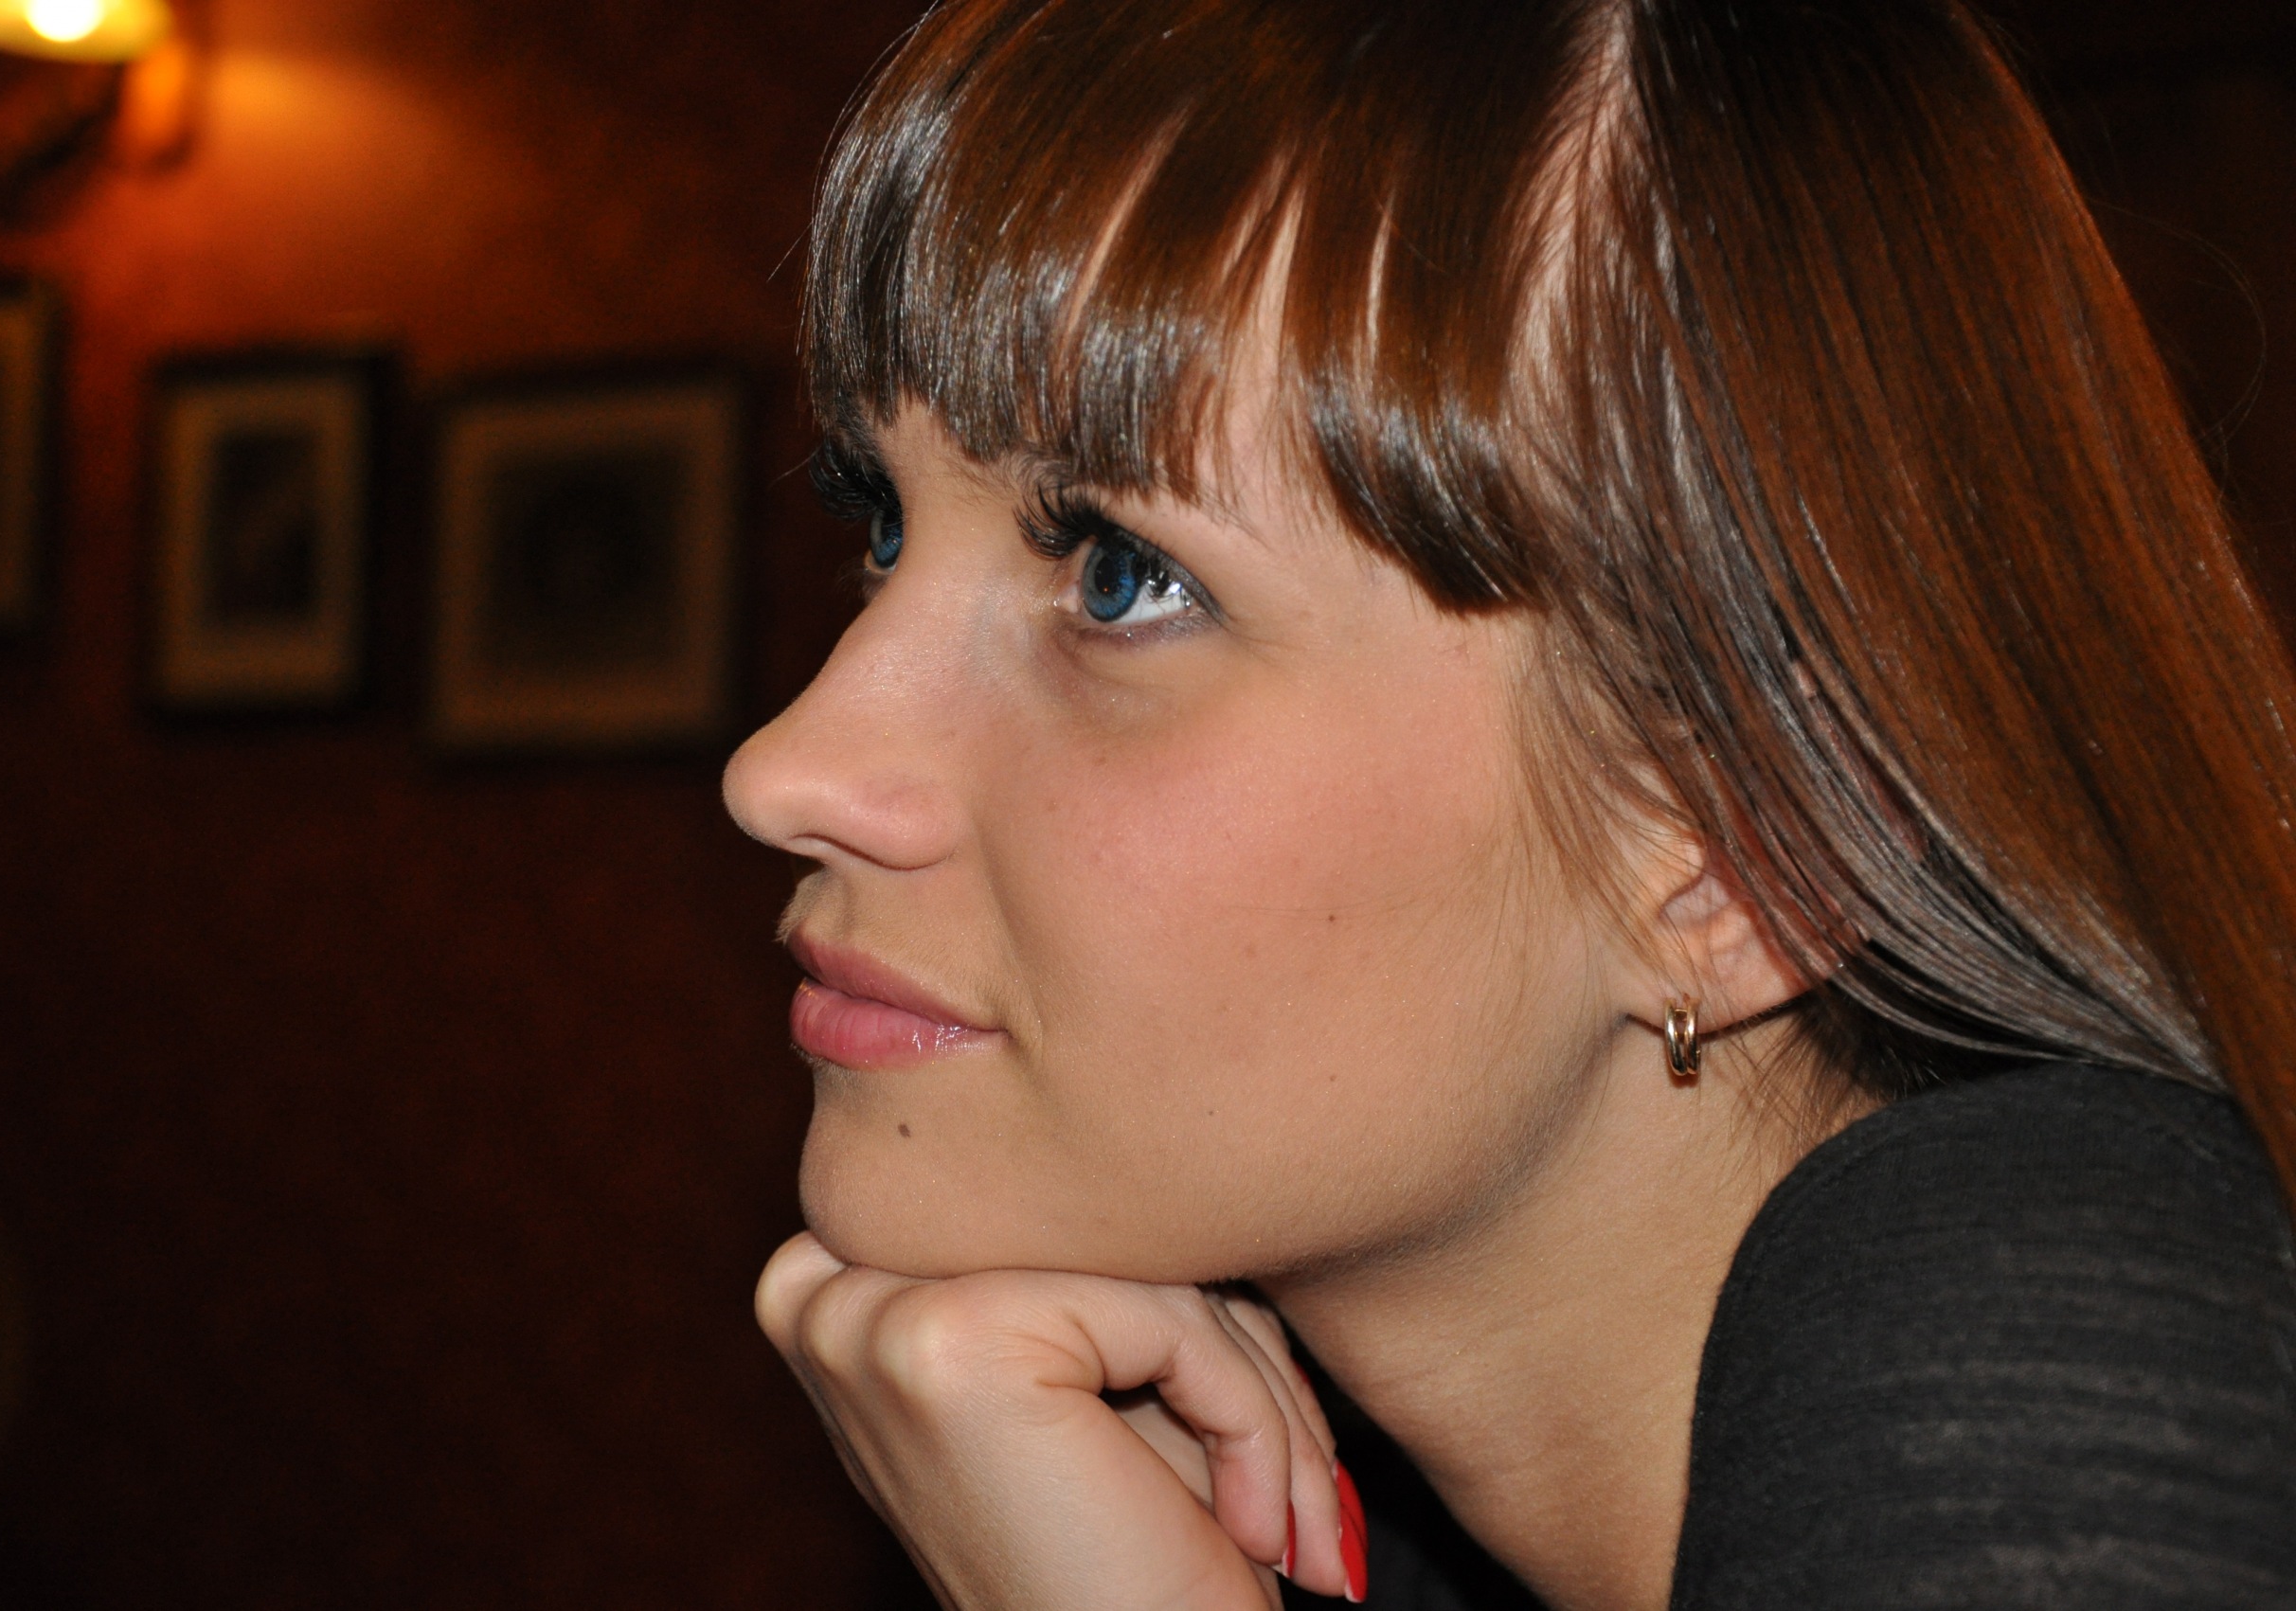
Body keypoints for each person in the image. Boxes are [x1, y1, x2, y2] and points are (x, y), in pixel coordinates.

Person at [721, 0, 2296, 1604]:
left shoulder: (2053, 1354)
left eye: (1127, 577)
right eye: (884, 524)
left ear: (1741, 853)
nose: (786, 768)